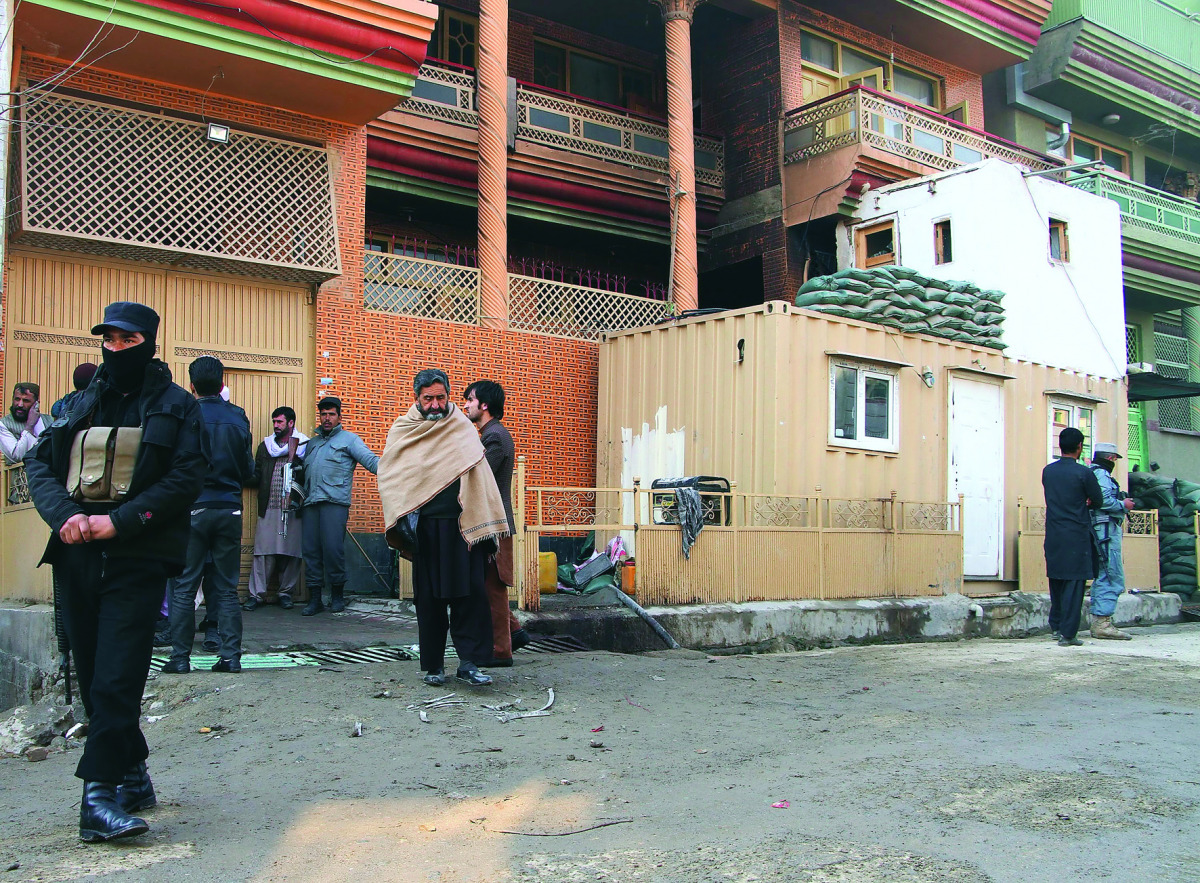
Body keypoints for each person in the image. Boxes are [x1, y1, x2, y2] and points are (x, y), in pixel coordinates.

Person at [24, 301, 205, 842]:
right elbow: (39, 464)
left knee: (119, 673)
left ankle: (97, 798)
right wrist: (67, 518)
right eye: (110, 339)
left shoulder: (178, 407)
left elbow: (187, 477)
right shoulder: (75, 404)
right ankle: (133, 771)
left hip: (138, 557)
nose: (117, 348)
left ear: (148, 342)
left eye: (129, 340)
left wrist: (121, 523)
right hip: (77, 556)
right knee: (94, 671)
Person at [378, 369, 510, 687]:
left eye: (441, 397)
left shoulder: (462, 427)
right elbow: (390, 473)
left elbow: (479, 475)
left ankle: (469, 663)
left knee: (471, 597)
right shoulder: (404, 429)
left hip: (463, 528)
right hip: (425, 530)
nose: (436, 404)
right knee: (429, 600)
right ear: (417, 399)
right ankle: (434, 666)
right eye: (429, 399)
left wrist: (480, 525)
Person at [162, 357, 254, 674]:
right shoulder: (239, 417)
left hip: (192, 509)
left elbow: (171, 467)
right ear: (222, 383)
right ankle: (230, 657)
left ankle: (179, 659)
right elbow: (248, 470)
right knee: (227, 588)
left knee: (185, 588)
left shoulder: (184, 415)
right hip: (229, 507)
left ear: (191, 385)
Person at [463, 380, 531, 666]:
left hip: (495, 524)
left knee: (493, 586)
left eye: (469, 400)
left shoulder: (495, 437)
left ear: (485, 405)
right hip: (490, 522)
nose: (465, 404)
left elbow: (481, 478)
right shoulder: (489, 434)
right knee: (488, 583)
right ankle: (513, 631)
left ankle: (501, 651)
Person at [300, 396, 378, 615]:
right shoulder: (312, 443)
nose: (326, 418)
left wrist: (394, 470)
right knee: (311, 552)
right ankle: (315, 599)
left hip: (334, 503)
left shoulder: (349, 440)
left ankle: (337, 596)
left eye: (331, 414)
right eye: (323, 414)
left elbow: (372, 462)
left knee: (333, 551)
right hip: (310, 503)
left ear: (339, 416)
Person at [1042, 427, 1104, 647]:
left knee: (1056, 581)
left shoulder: (1048, 471)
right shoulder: (1084, 473)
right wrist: (1086, 501)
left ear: (1060, 446)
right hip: (1076, 534)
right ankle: (1069, 634)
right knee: (1074, 584)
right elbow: (1098, 500)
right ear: (1080, 447)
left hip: (1054, 534)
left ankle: (1056, 626)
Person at [245, 406, 308, 611]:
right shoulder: (266, 446)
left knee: (291, 553)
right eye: (274, 422)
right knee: (264, 552)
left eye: (280, 422)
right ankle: (257, 595)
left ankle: (285, 593)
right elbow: (256, 474)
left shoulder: (304, 446)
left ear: (291, 423)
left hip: (293, 508)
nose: (276, 426)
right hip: (269, 507)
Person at [1089, 442, 1136, 641]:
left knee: (1105, 574)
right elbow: (1104, 500)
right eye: (1115, 459)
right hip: (1106, 530)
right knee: (1111, 575)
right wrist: (1123, 505)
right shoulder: (1101, 475)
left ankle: (1101, 621)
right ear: (1110, 458)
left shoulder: (1093, 472)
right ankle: (1103, 623)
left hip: (1103, 529)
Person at [1, 382, 51, 465]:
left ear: (36, 403)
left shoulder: (49, 421)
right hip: (20, 476)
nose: (20, 405)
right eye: (17, 399)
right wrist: (29, 427)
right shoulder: (4, 424)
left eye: (26, 401)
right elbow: (17, 457)